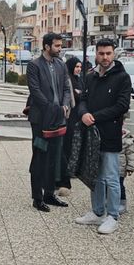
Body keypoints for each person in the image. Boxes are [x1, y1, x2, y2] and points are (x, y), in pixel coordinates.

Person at [74, 39, 132, 234]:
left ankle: (112, 215)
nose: (105, 57)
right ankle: (97, 211)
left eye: (108, 53)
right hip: (91, 135)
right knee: (95, 175)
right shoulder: (90, 77)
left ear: (113, 53)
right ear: (96, 54)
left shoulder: (122, 77)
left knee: (111, 177)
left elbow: (121, 106)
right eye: (101, 53)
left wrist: (95, 117)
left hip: (110, 134)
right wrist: (83, 113)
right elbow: (82, 99)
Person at [26, 33, 72, 212]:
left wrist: (65, 105)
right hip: (41, 121)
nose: (60, 49)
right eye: (57, 46)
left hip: (58, 119)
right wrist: (54, 109)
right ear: (46, 46)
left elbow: (67, 89)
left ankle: (49, 194)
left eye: (60, 46)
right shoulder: (34, 65)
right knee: (39, 158)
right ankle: (37, 198)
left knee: (55, 158)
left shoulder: (61, 64)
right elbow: (35, 92)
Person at [56, 57, 84, 197]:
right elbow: (75, 97)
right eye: (76, 66)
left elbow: (83, 95)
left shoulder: (79, 79)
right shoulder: (68, 80)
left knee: (71, 146)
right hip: (68, 118)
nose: (79, 69)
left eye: (80, 66)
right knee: (65, 147)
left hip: (77, 118)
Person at [119, 116, 134, 215]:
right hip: (110, 167)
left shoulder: (127, 138)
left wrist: (130, 167)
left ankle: (122, 203)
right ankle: (107, 200)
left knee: (120, 185)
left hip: (121, 168)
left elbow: (131, 154)